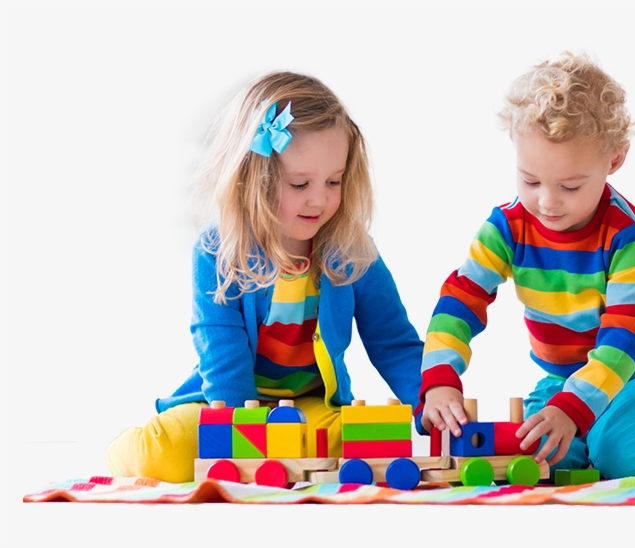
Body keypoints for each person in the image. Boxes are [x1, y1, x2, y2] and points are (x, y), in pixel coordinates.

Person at [418, 52, 635, 479]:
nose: (547, 202)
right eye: (530, 180)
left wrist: (572, 409)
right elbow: (461, 299)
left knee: (623, 458)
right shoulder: (505, 228)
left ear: (614, 160)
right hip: (566, 378)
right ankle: (593, 436)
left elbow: (624, 341)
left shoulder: (631, 237)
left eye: (570, 186)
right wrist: (439, 378)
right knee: (536, 460)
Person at [106, 71, 424, 483]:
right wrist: (248, 437)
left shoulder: (350, 250)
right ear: (254, 179)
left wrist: (428, 396)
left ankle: (290, 455)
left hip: (305, 405)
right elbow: (221, 350)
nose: (320, 199)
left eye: (334, 181)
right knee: (161, 455)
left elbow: (393, 340)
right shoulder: (217, 251)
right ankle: (121, 449)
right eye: (299, 183)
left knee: (366, 445)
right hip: (225, 403)